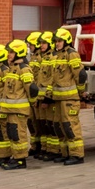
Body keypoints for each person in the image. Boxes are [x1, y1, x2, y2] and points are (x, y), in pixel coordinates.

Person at [51, 27, 87, 165]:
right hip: (58, 99)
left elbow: (80, 74)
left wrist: (81, 91)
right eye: (56, 41)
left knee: (70, 126)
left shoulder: (71, 54)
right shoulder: (58, 55)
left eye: (59, 41)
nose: (57, 43)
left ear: (66, 41)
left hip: (69, 99)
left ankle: (77, 155)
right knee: (60, 127)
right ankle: (66, 153)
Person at [0, 39, 37, 170]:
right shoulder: (12, 69)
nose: (8, 54)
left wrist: (32, 103)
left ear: (19, 52)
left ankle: (21, 160)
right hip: (10, 109)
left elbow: (32, 89)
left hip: (19, 110)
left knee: (18, 134)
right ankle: (15, 157)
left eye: (11, 52)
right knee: (12, 134)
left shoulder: (24, 69)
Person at [34, 31, 57, 160]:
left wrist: (48, 98)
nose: (41, 45)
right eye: (40, 43)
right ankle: (46, 149)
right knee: (43, 125)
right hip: (41, 98)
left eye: (44, 43)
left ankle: (54, 151)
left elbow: (53, 79)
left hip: (49, 99)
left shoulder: (53, 58)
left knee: (51, 125)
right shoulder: (44, 58)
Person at [24, 31, 43, 156]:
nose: (29, 47)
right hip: (32, 96)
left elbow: (42, 78)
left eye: (30, 44)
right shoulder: (34, 57)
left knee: (39, 123)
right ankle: (35, 146)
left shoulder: (41, 58)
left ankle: (42, 147)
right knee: (32, 122)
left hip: (39, 96)